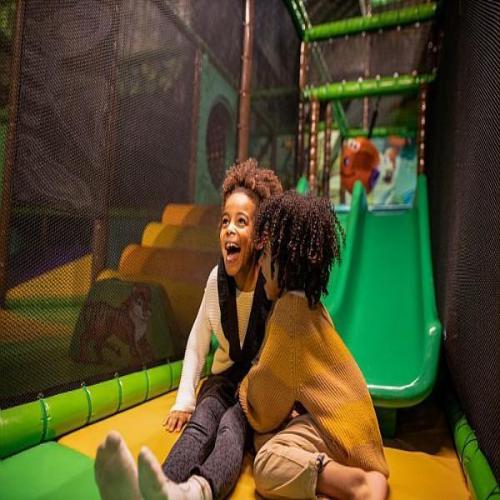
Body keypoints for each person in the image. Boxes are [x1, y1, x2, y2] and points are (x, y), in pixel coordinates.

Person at [94, 159, 282, 500]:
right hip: (223, 380)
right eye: (225, 221)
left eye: (241, 222)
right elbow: (197, 341)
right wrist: (185, 399)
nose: (229, 229)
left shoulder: (271, 283)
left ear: (260, 238)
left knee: (231, 429)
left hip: (256, 387)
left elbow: (288, 346)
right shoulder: (216, 281)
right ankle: (158, 487)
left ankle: (198, 491)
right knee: (201, 422)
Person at [239, 191, 389, 500]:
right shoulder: (310, 305)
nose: (260, 262)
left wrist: (244, 386)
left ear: (284, 261)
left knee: (266, 460)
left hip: (339, 435)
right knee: (273, 438)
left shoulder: (289, 316)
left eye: (266, 254)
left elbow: (263, 409)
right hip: (356, 431)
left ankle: (356, 486)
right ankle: (364, 482)